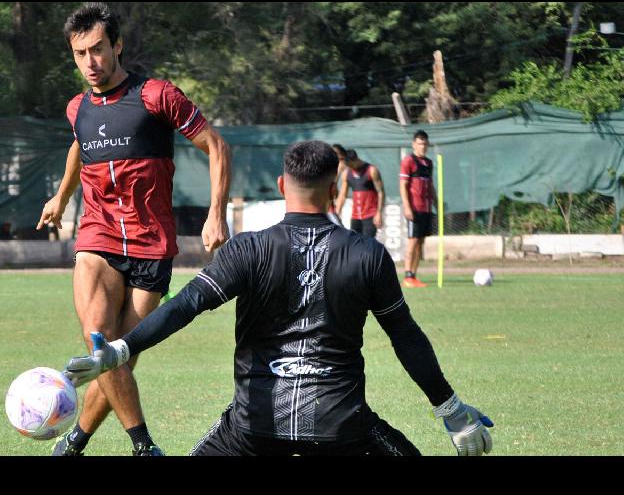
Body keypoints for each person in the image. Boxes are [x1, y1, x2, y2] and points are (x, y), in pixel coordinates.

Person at [64, 140, 493, 456]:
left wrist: (121, 348)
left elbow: (184, 306)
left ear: (281, 183)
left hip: (251, 432)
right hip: (342, 431)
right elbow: (406, 338)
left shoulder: (247, 249)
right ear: (334, 186)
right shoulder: (368, 255)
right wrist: (451, 411)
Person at [37, 2, 231, 457]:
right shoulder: (77, 107)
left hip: (152, 245)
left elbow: (216, 146)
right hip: (97, 236)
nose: (91, 62)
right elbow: (79, 145)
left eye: (99, 49)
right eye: (81, 53)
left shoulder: (157, 96)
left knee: (119, 357)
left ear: (117, 45)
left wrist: (216, 212)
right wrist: (62, 197)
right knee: (99, 339)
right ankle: (144, 445)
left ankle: (75, 442)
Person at [399, 130, 436, 288]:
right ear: (414, 144)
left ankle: (414, 275)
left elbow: (431, 185)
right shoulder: (408, 161)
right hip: (414, 208)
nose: (423, 147)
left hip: (426, 209)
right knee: (413, 241)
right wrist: (407, 206)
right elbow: (403, 185)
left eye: (425, 144)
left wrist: (437, 201)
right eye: (420, 144)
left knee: (421, 242)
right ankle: (407, 275)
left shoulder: (428, 163)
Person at [334, 149, 385, 238]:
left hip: (370, 215)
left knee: (368, 245)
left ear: (355, 159)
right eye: (347, 165)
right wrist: (337, 211)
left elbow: (381, 192)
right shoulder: (347, 173)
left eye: (350, 164)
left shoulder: (372, 170)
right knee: (355, 245)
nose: (349, 166)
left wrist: (379, 213)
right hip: (355, 216)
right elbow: (342, 195)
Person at [326, 143, 348, 226]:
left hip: (336, 202)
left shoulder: (341, 165)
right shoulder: (336, 165)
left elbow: (335, 183)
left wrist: (338, 204)